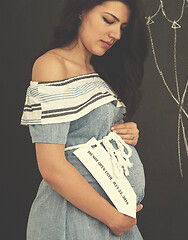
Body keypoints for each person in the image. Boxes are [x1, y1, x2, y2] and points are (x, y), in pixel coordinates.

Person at [20, 0, 148, 239]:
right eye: (108, 20)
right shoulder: (52, 65)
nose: (116, 34)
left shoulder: (99, 70)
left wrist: (124, 134)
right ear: (81, 10)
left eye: (123, 27)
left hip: (110, 219)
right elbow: (51, 167)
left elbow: (91, 131)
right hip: (74, 218)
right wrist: (114, 218)